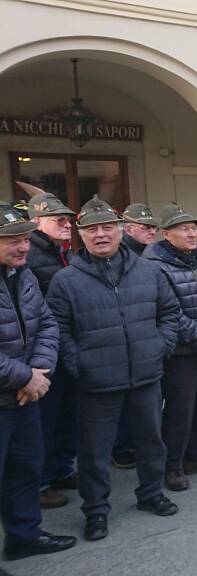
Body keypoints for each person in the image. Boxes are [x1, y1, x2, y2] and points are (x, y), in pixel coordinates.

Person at [46, 197, 180, 542]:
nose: (101, 234)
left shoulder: (149, 271)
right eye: (92, 229)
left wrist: (160, 347)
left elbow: (169, 312)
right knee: (94, 453)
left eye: (107, 227)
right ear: (81, 235)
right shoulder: (66, 280)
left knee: (152, 441)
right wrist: (80, 365)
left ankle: (151, 494)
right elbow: (57, 330)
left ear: (120, 230)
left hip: (146, 375)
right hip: (97, 383)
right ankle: (96, 511)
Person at [0, 203, 77, 560]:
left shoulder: (23, 274)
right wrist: (26, 376)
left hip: (25, 396)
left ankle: (23, 536)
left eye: (24, 239)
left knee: (25, 471)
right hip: (14, 390)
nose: (22, 246)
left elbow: (47, 324)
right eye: (11, 240)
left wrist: (40, 372)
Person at [144, 204, 197, 492]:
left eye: (193, 228)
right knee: (180, 409)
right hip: (180, 351)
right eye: (184, 228)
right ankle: (174, 465)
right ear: (166, 234)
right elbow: (169, 312)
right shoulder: (155, 265)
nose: (192, 233)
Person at [25, 193, 78, 510]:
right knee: (43, 422)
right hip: (42, 356)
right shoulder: (30, 255)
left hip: (66, 349)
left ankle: (61, 469)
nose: (66, 224)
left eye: (68, 219)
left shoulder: (63, 254)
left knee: (66, 416)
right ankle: (41, 482)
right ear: (36, 222)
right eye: (58, 219)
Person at [113, 203, 161, 470]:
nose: (152, 231)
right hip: (121, 346)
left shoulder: (144, 256)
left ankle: (132, 444)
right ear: (128, 229)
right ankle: (121, 446)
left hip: (145, 343)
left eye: (153, 226)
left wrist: (159, 340)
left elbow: (163, 306)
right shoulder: (122, 255)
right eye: (146, 227)